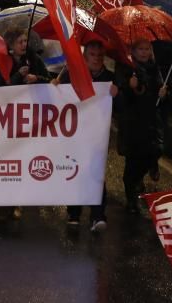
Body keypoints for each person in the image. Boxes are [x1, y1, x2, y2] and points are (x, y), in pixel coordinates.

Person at [54, 42, 116, 232]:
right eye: (92, 54)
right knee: (75, 169)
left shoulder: (110, 79)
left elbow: (121, 108)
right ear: (85, 56)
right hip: (75, 133)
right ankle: (74, 213)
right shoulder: (70, 74)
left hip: (97, 134)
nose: (97, 57)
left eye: (99, 54)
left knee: (96, 172)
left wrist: (117, 94)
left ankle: (98, 216)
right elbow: (57, 99)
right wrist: (54, 86)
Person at [115, 40, 167, 216]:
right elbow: (121, 99)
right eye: (140, 49)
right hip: (133, 124)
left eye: (147, 49)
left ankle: (140, 178)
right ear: (133, 51)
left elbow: (160, 93)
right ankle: (131, 199)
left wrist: (163, 93)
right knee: (133, 162)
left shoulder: (154, 69)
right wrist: (129, 88)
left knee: (155, 151)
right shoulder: (126, 68)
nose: (144, 52)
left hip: (152, 123)